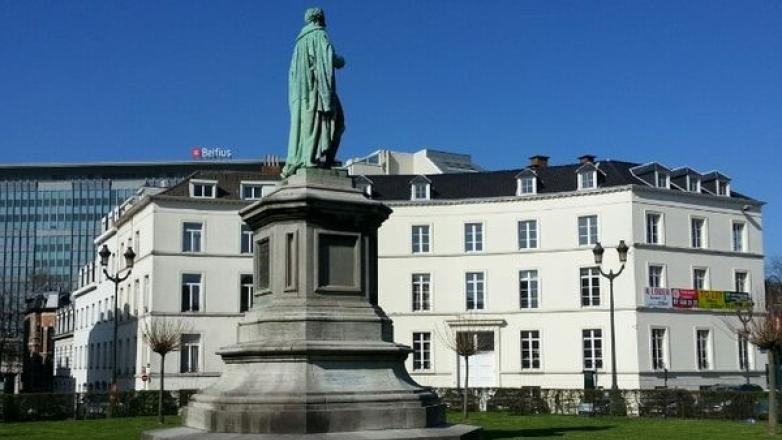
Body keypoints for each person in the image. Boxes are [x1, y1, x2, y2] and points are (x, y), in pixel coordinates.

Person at [282, 8, 345, 178]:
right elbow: (328, 55)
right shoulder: (319, 35)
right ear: (320, 19)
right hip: (316, 90)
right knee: (338, 123)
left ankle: (312, 158)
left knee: (305, 125)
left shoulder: (299, 43)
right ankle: (320, 160)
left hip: (300, 93)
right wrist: (340, 61)